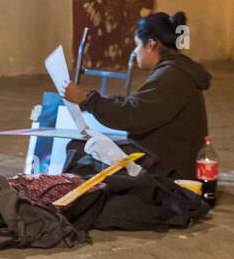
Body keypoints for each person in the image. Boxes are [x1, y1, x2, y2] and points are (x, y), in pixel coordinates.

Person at [61, 11, 210, 179]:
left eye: (138, 44)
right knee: (89, 147)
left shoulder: (172, 75)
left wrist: (86, 100)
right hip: (167, 160)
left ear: (151, 44)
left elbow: (132, 115)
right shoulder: (175, 70)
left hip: (170, 171)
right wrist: (103, 102)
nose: (135, 51)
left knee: (82, 151)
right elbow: (141, 104)